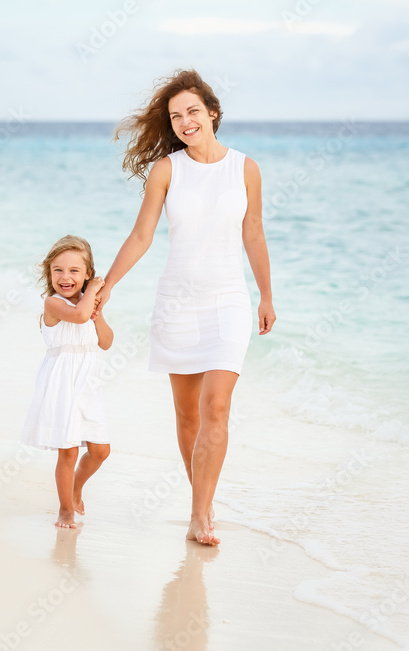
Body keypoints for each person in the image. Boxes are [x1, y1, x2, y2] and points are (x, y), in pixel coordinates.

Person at [95, 69, 275, 546]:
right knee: (188, 418)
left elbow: (253, 232)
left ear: (213, 113)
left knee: (217, 406)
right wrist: (107, 284)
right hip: (177, 302)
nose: (185, 121)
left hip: (228, 302)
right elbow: (141, 236)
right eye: (176, 116)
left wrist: (266, 295)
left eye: (193, 111)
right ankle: (204, 501)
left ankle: (199, 517)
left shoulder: (245, 168)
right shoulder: (167, 170)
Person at [20, 234, 114, 529]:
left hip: (88, 384)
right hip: (61, 384)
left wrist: (99, 313)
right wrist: (97, 289)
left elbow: (107, 342)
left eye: (74, 270)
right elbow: (79, 315)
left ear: (86, 273)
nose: (65, 276)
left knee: (101, 450)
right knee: (69, 449)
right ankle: (65, 510)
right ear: (49, 273)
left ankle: (75, 487)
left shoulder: (89, 305)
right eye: (58, 269)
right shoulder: (54, 304)